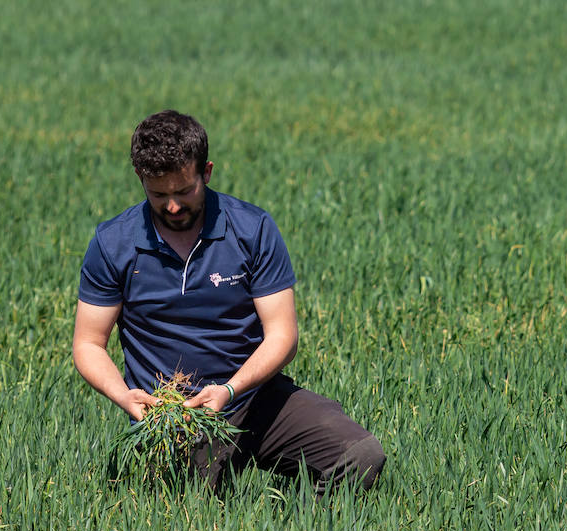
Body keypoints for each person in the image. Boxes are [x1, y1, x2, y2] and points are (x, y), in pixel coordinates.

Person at [73, 110, 385, 492]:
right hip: (175, 417)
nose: (172, 206)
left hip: (253, 398)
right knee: (191, 519)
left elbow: (282, 336)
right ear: (141, 178)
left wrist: (230, 390)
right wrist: (124, 396)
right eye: (159, 194)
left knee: (361, 457)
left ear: (207, 172)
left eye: (184, 191)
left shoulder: (251, 228)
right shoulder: (113, 243)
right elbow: (88, 343)